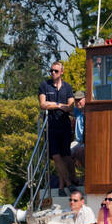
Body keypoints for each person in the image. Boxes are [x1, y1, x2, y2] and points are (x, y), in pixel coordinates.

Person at [38, 61, 75, 193]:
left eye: (56, 71)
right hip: (51, 126)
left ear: (62, 72)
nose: (53, 73)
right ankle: (69, 183)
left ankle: (65, 184)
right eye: (51, 70)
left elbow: (71, 106)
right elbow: (42, 104)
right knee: (56, 156)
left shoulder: (67, 87)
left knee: (66, 156)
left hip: (64, 125)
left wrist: (52, 104)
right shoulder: (44, 85)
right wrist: (59, 105)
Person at [68, 91, 86, 183]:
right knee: (66, 152)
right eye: (76, 100)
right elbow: (69, 109)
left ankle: (88, 175)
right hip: (79, 141)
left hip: (88, 142)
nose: (77, 102)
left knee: (80, 151)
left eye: (80, 100)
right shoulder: (77, 111)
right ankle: (73, 178)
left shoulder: (91, 111)